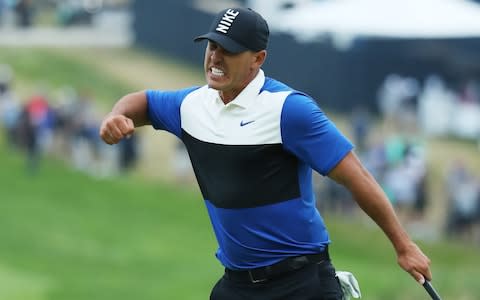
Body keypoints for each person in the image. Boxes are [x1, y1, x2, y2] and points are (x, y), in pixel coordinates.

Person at [99, 7, 432, 300]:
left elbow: (356, 175)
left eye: (228, 50)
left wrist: (403, 245)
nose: (215, 57)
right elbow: (142, 101)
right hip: (237, 285)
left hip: (301, 283)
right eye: (212, 46)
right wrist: (118, 115)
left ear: (257, 59)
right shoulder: (191, 105)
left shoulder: (289, 110)